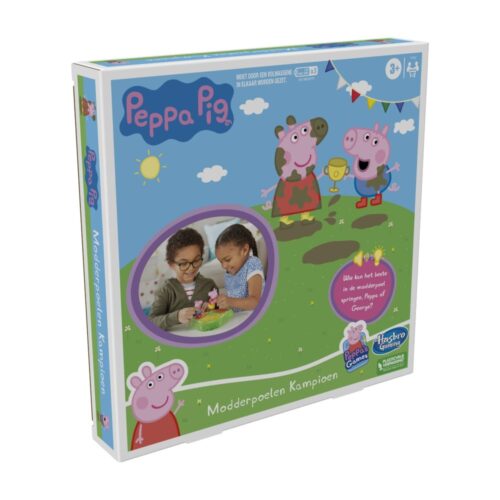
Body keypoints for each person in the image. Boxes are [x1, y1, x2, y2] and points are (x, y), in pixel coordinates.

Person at [149, 228, 217, 330]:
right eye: (184, 263)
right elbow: (150, 322)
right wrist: (177, 317)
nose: (191, 268)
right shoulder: (165, 290)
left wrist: (213, 307)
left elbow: (219, 311)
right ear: (171, 264)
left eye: (196, 260)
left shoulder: (209, 285)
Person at [215, 224, 264, 311]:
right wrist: (218, 304)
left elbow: (255, 302)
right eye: (221, 262)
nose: (224, 266)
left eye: (227, 259)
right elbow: (234, 304)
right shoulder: (229, 274)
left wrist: (230, 301)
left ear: (244, 250)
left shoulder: (252, 264)